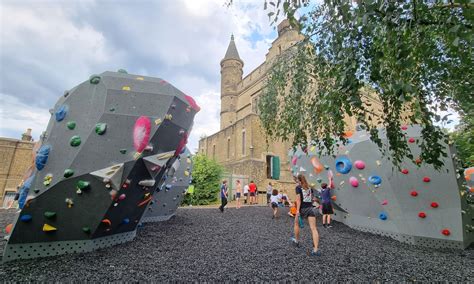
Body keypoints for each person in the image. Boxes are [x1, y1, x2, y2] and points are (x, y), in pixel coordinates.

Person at [291, 174, 321, 256]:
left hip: (302, 209)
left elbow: (298, 200)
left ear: (299, 180)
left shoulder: (298, 187)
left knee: (296, 224)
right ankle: (315, 250)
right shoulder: (309, 188)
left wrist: (297, 211)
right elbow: (311, 199)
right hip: (310, 209)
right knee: (314, 228)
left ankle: (297, 241)